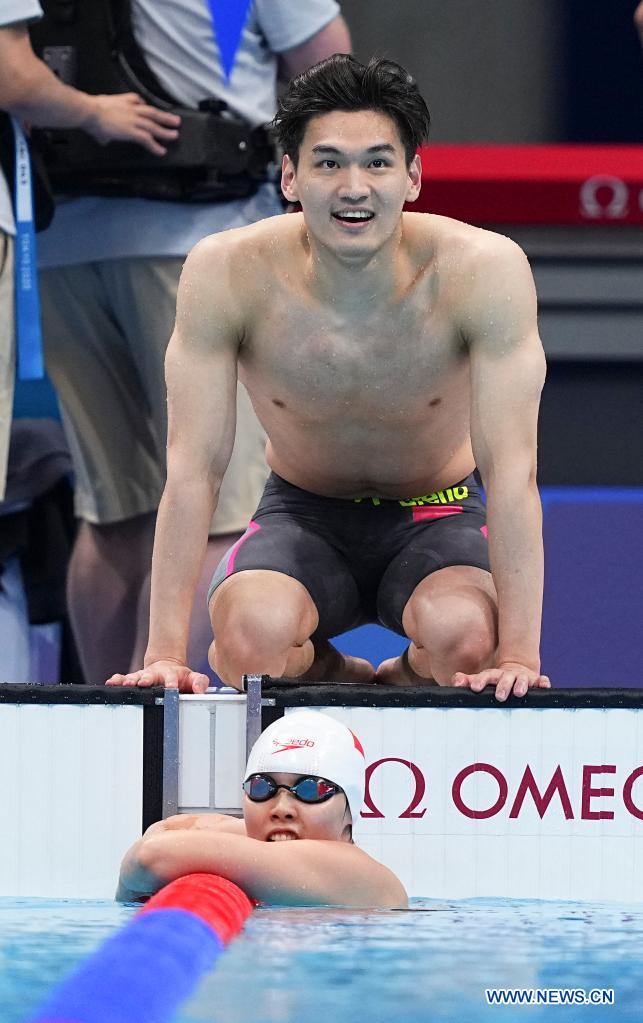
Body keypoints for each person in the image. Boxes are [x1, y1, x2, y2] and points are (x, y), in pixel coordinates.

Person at [107, 54, 552, 703]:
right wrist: (164, 654)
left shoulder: (481, 270)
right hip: (301, 513)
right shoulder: (228, 271)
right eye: (327, 163)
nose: (353, 186)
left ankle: (399, 683)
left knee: (465, 642)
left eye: (377, 162)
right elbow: (193, 466)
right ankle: (341, 679)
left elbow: (513, 471)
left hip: (439, 511)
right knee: (250, 644)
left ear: (413, 176)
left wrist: (517, 654)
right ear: (289, 176)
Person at [36, 1, 351, 685]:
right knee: (218, 508)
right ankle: (158, 713)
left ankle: (107, 722)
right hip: (201, 244)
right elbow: (331, 76)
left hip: (62, 244)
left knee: (112, 509)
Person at [0, 1, 180, 502]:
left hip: (90, 235)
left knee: (117, 506)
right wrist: (94, 112)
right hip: (165, 230)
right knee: (211, 503)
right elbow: (11, 74)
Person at [117, 709, 406, 909]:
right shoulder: (276, 856)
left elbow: (149, 857)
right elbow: (164, 829)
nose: (281, 809)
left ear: (350, 811)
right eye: (262, 787)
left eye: (311, 790)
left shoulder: (353, 870)